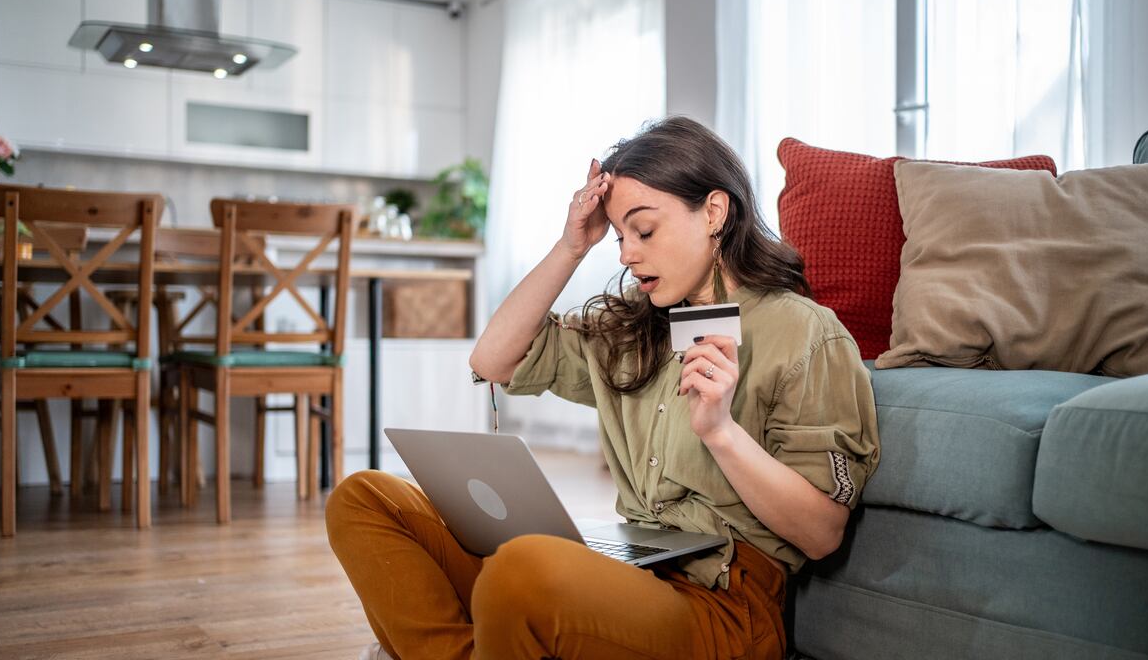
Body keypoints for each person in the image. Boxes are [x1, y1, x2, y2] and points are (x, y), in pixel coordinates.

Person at [326, 117, 880, 660]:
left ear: (714, 211)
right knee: (365, 498)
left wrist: (721, 432)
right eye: (618, 236)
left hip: (722, 602)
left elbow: (822, 532)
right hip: (629, 567)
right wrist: (571, 246)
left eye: (644, 230)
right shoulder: (636, 327)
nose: (625, 254)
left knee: (520, 570)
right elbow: (492, 359)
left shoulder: (805, 333)